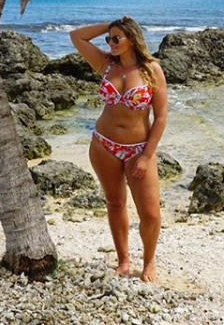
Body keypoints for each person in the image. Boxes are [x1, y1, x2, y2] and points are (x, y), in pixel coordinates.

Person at [70, 16, 168, 282]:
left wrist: (147, 156)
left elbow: (160, 117)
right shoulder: (105, 64)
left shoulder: (152, 70)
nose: (111, 43)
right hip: (104, 145)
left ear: (132, 39)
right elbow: (76, 36)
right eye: (108, 39)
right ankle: (123, 261)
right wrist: (110, 25)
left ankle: (149, 262)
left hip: (138, 149)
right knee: (115, 203)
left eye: (116, 39)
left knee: (150, 213)